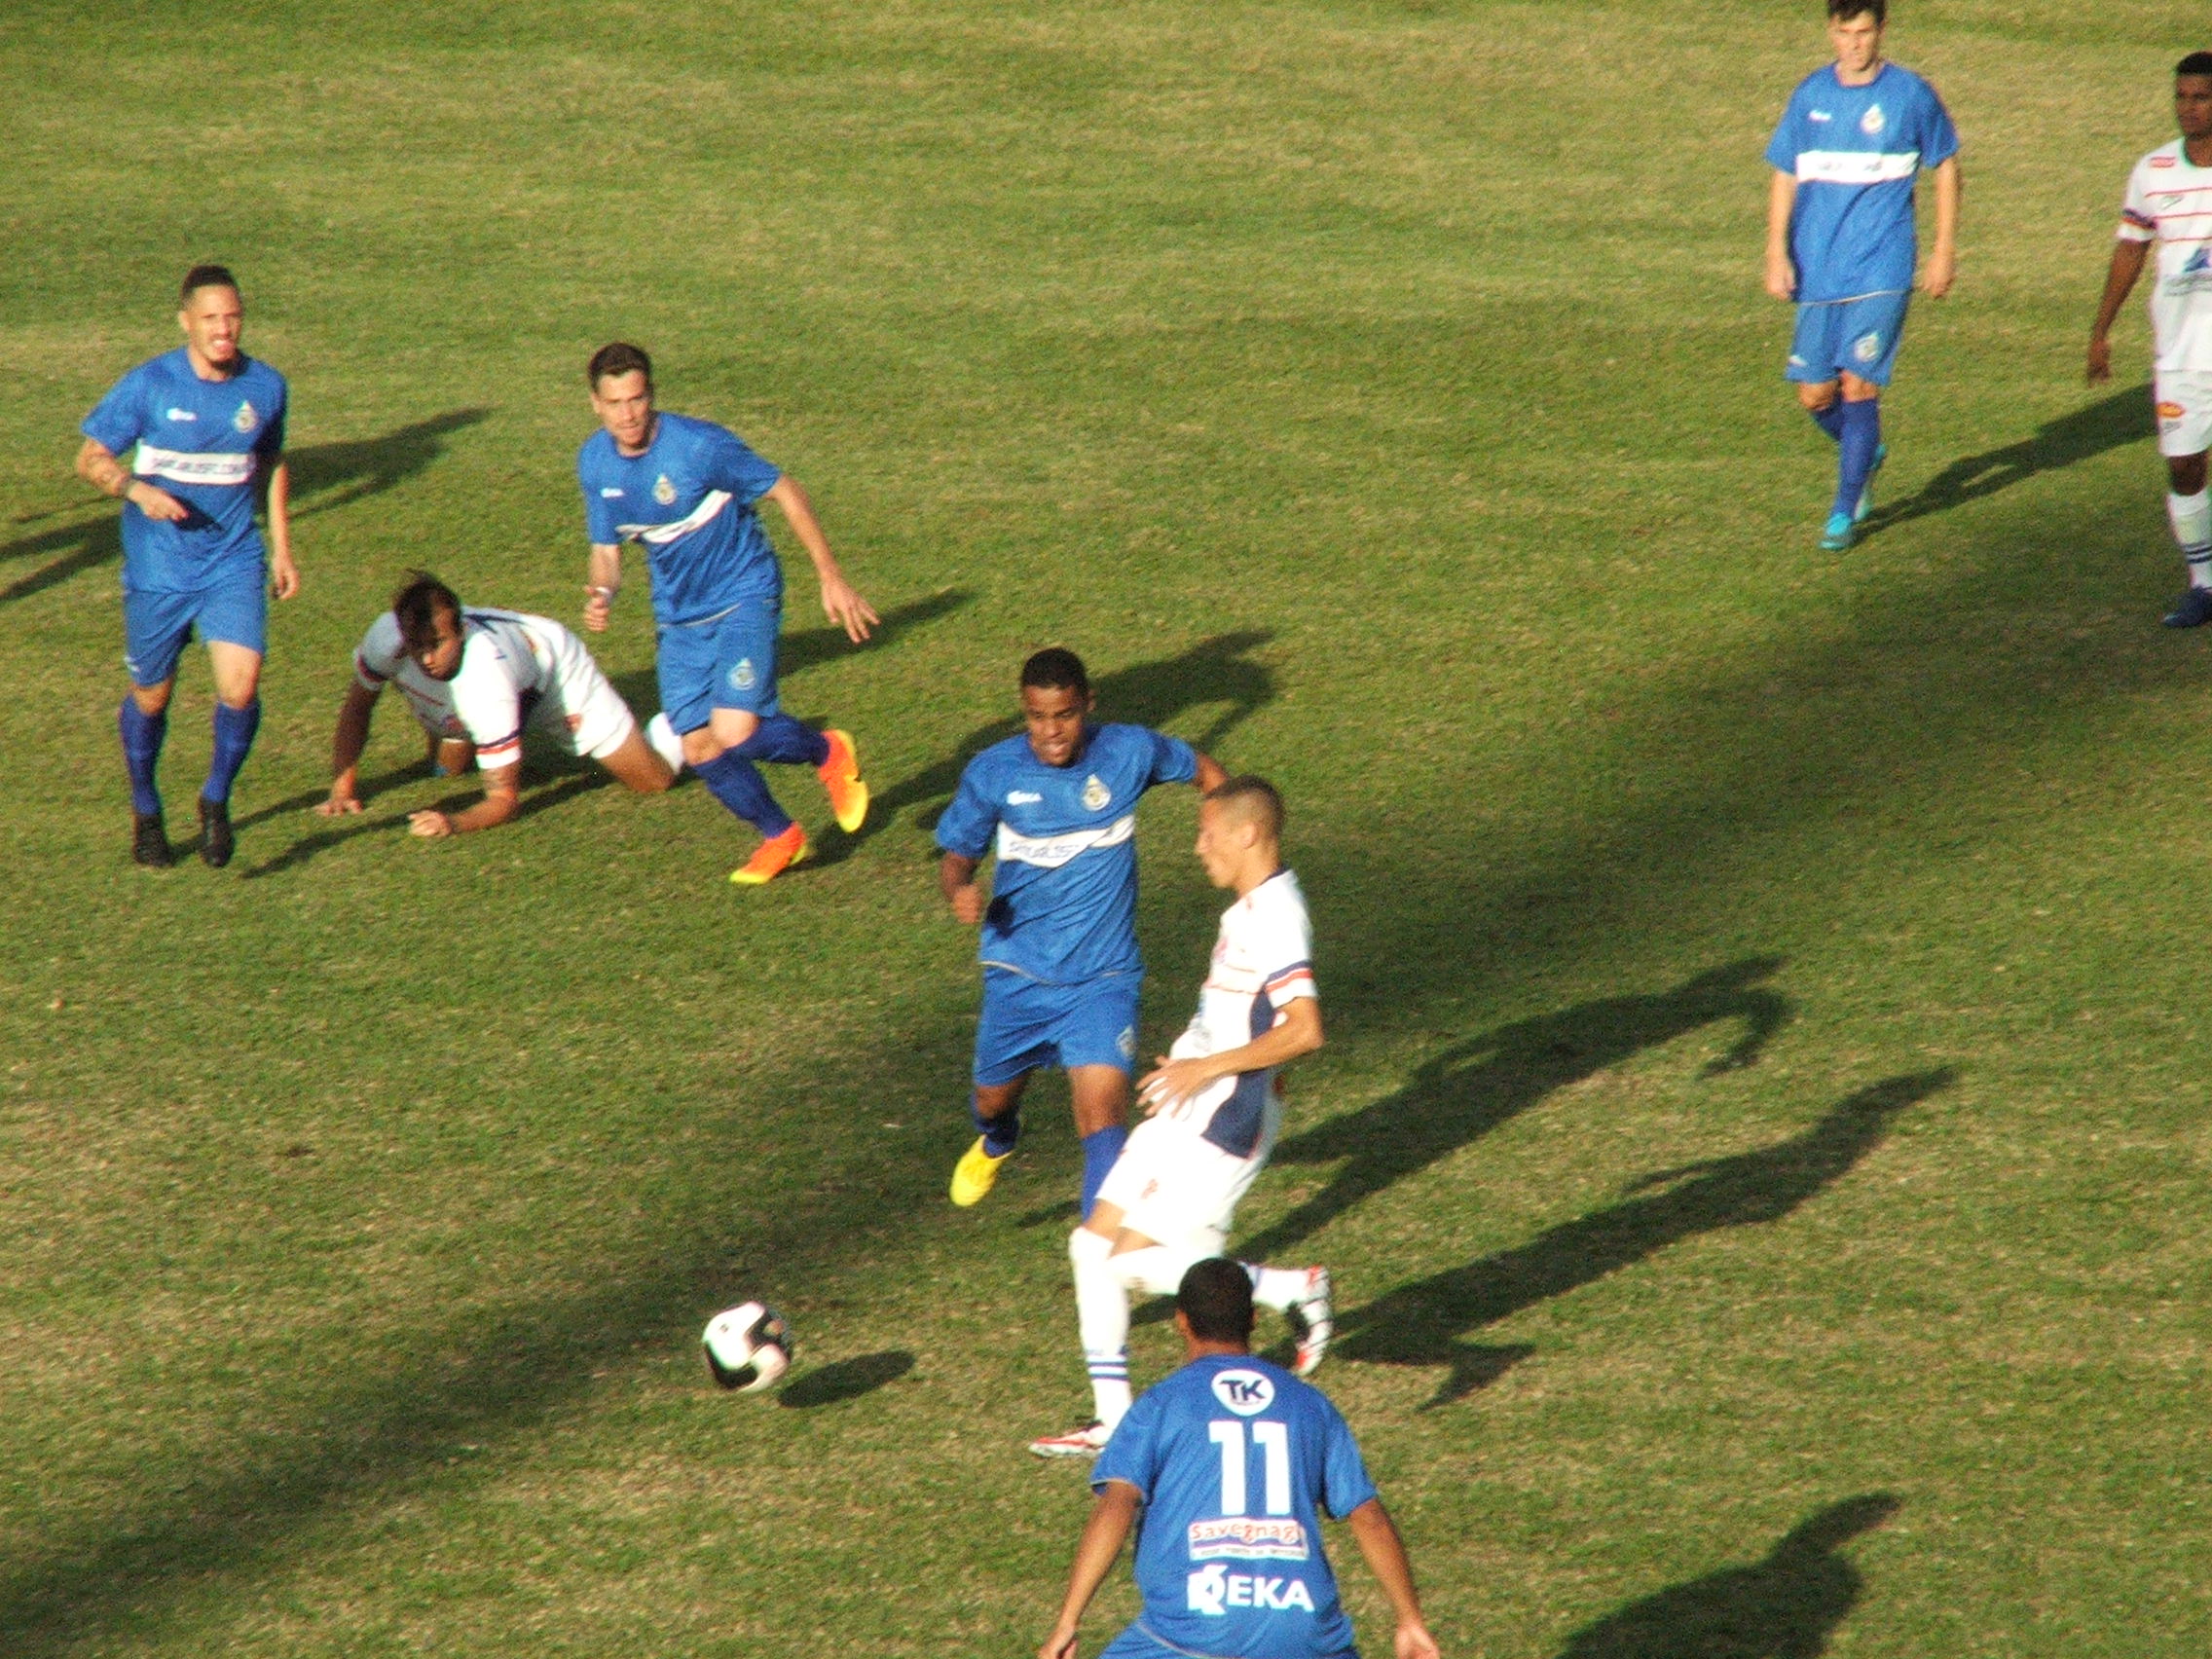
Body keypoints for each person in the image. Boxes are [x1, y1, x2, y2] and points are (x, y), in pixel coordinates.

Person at [1031, 776, 1333, 1459]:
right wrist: (1192, 1060)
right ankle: (1113, 1421)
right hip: (1185, 1100)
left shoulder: (1278, 916)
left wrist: (1207, 1067)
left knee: (1122, 1266)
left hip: (1223, 1115)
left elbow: (1306, 1029)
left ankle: (1292, 1288)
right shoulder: (1245, 911)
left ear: (1247, 832)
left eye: (1208, 833)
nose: (1199, 847)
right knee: (1089, 1248)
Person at [936, 648, 1226, 1221]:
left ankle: (1101, 1260)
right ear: (1023, 712)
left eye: (1064, 715)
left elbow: (1206, 772)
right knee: (991, 1101)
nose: (1050, 732)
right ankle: (997, 1139)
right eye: (1037, 717)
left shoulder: (1129, 752)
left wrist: (1228, 837)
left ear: (1087, 705)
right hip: (1018, 973)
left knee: (1102, 1119)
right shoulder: (994, 773)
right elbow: (956, 858)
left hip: (1104, 977)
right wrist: (959, 892)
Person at [576, 341, 875, 884]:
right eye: (616, 402)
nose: (629, 414)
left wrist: (830, 575)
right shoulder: (595, 463)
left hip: (744, 593)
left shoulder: (698, 447)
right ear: (596, 404)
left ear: (652, 395)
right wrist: (603, 593)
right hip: (679, 619)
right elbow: (606, 552)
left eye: (638, 399)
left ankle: (827, 751)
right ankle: (781, 837)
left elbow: (785, 489)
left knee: (735, 730)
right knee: (698, 744)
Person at [1040, 1258, 1440, 1659]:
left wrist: (1068, 1620)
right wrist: (1410, 1621)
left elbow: (1117, 1504)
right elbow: (1367, 1515)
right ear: (1252, 1318)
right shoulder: (1310, 1405)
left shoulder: (1161, 1404)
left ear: (1181, 1321)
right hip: (1304, 1635)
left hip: (1190, 1631)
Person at [76, 264, 296, 868]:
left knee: (241, 685)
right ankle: (146, 809)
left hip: (231, 559)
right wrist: (133, 489)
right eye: (210, 319)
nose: (224, 330)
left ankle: (216, 800)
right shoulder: (150, 385)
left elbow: (271, 461)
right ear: (186, 323)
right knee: (152, 696)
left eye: (232, 317)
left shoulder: (266, 386)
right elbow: (89, 457)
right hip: (159, 568)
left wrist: (280, 545)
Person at [1763, 0, 1959, 551]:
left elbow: (1945, 167)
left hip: (1883, 264)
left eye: (1865, 32)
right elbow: (1785, 174)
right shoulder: (1810, 97)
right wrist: (1775, 251)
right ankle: (1864, 451)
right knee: (1815, 395)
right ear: (1831, 32)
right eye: (1845, 33)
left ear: (1881, 31)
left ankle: (1843, 514)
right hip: (1818, 265)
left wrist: (1943, 249)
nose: (1855, 43)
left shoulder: (1910, 95)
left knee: (1859, 383)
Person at [316, 572, 682, 835]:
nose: (426, 658)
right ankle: (460, 732)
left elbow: (505, 799)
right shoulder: (386, 639)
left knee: (653, 781)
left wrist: (452, 822)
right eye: (418, 645)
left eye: (438, 643)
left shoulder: (486, 678)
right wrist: (342, 790)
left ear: (460, 630)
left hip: (555, 674)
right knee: (448, 770)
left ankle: (679, 725)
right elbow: (357, 708)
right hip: (485, 691)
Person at [2089, 54, 2212, 627]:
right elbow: (2131, 249)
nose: (2189, 108)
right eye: (2182, 97)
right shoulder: (2154, 169)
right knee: (2185, 467)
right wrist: (2101, 329)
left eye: (2201, 97)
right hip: (2182, 355)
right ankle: (2205, 585)